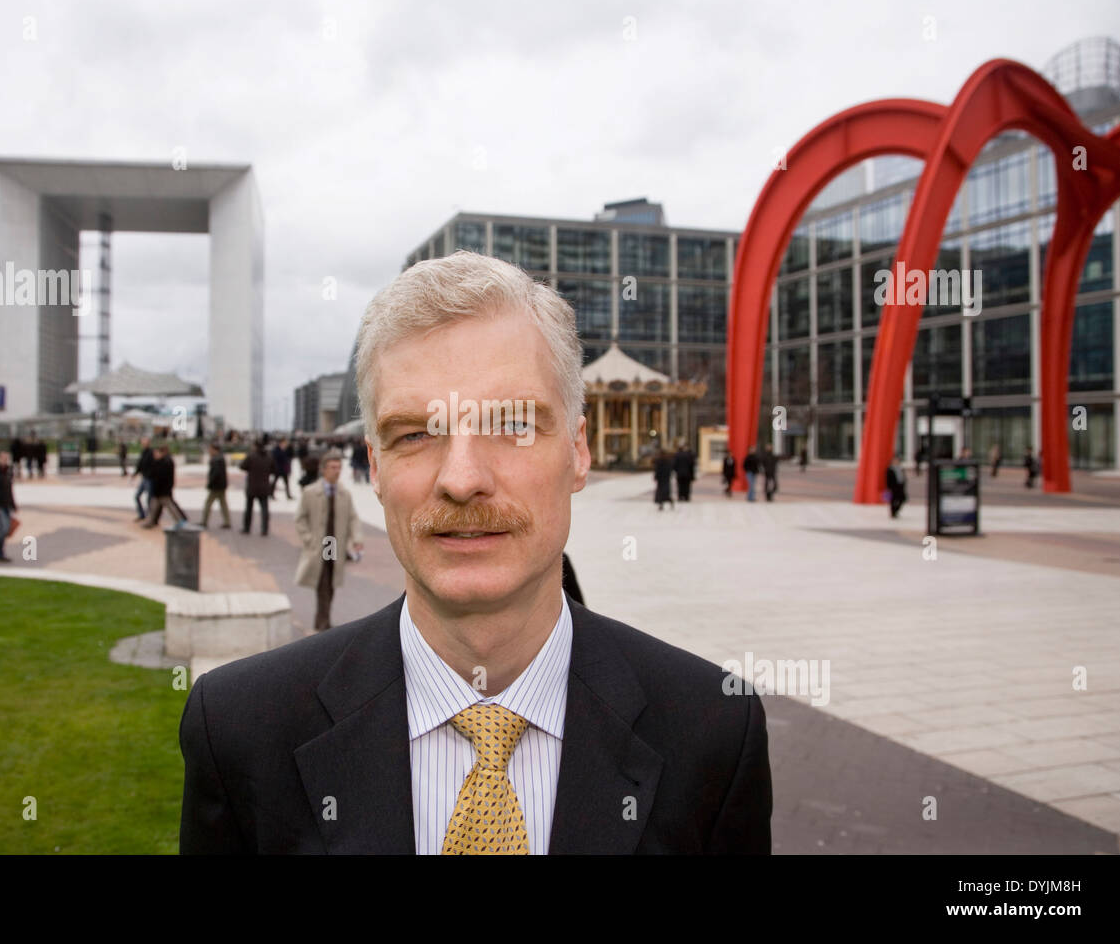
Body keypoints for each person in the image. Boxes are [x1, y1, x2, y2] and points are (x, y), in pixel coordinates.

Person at [179, 250, 771, 854]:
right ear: (376, 467)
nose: (462, 479)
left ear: (578, 451)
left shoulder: (713, 731)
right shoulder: (240, 729)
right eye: (415, 433)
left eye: (513, 425)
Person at [294, 448, 363, 632]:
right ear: (323, 469)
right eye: (333, 467)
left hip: (335, 545)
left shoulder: (344, 494)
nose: (337, 471)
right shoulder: (310, 492)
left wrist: (357, 538)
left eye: (339, 467)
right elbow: (300, 519)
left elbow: (353, 517)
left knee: (330, 584)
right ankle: (322, 624)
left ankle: (323, 621)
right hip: (320, 546)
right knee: (322, 583)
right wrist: (309, 540)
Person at [143, 445, 188, 528]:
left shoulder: (164, 462)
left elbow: (159, 476)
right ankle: (150, 522)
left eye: (156, 453)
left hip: (162, 490)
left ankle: (180, 521)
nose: (154, 455)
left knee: (169, 506)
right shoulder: (163, 461)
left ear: (162, 453)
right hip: (161, 490)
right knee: (154, 507)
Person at [239, 439, 274, 535]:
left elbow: (242, 466)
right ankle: (265, 529)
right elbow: (274, 469)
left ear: (255, 446)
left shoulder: (251, 456)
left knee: (249, 508)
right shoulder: (269, 457)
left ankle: (247, 528)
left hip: (252, 486)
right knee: (264, 509)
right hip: (264, 487)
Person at [201, 443, 231, 529]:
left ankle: (204, 521)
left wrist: (210, 483)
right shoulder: (220, 458)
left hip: (216, 486)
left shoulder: (216, 459)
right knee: (223, 504)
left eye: (210, 449)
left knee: (208, 503)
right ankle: (227, 521)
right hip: (221, 485)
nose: (209, 451)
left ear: (215, 450)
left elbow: (215, 474)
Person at [133, 436, 154, 522]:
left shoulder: (151, 453)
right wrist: (135, 473)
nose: (143, 443)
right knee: (137, 496)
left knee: (149, 499)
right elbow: (140, 464)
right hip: (145, 478)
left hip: (150, 479)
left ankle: (150, 517)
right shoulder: (143, 452)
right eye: (142, 441)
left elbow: (154, 466)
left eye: (144, 441)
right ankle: (142, 514)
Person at [885, 454, 907, 519]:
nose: (896, 461)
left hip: (900, 486)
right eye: (895, 460)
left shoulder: (900, 468)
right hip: (893, 488)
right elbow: (888, 480)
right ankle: (893, 512)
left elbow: (903, 477)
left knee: (902, 498)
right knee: (893, 500)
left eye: (897, 460)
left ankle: (896, 510)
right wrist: (889, 488)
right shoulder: (890, 469)